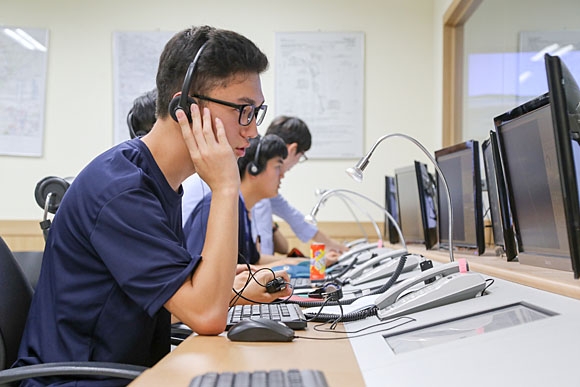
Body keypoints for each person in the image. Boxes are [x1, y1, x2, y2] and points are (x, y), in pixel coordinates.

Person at [13, 25, 291, 386]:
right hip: (76, 380)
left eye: (257, 112)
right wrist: (225, 186)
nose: (253, 131)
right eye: (243, 110)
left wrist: (230, 287)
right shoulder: (120, 191)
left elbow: (176, 295)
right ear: (185, 109)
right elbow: (207, 315)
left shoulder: (155, 180)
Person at [184, 134, 306, 268]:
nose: (282, 175)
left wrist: (305, 263)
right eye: (277, 167)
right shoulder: (217, 208)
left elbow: (254, 261)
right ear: (254, 170)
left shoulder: (241, 208)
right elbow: (200, 271)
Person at [252, 115, 349, 257]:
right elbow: (255, 260)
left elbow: (294, 217)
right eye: (301, 156)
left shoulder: (265, 186)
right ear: (292, 150)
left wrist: (333, 246)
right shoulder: (254, 184)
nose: (283, 175)